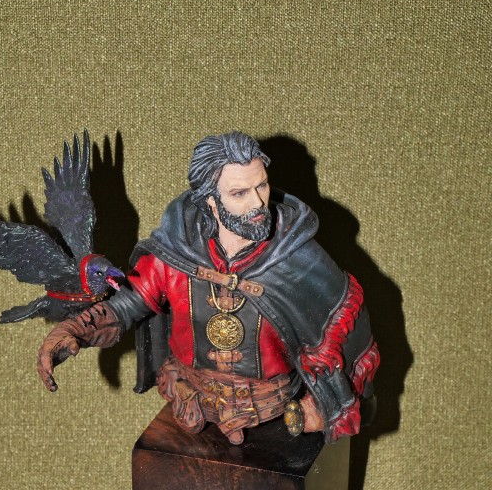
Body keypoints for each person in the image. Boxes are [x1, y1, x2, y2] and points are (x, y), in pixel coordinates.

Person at [37, 131, 379, 445]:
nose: (258, 203)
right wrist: (75, 330)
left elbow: (343, 325)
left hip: (274, 409)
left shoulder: (298, 257)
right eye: (239, 193)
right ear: (211, 202)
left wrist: (318, 405)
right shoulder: (177, 253)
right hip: (192, 400)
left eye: (262, 186)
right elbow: (129, 302)